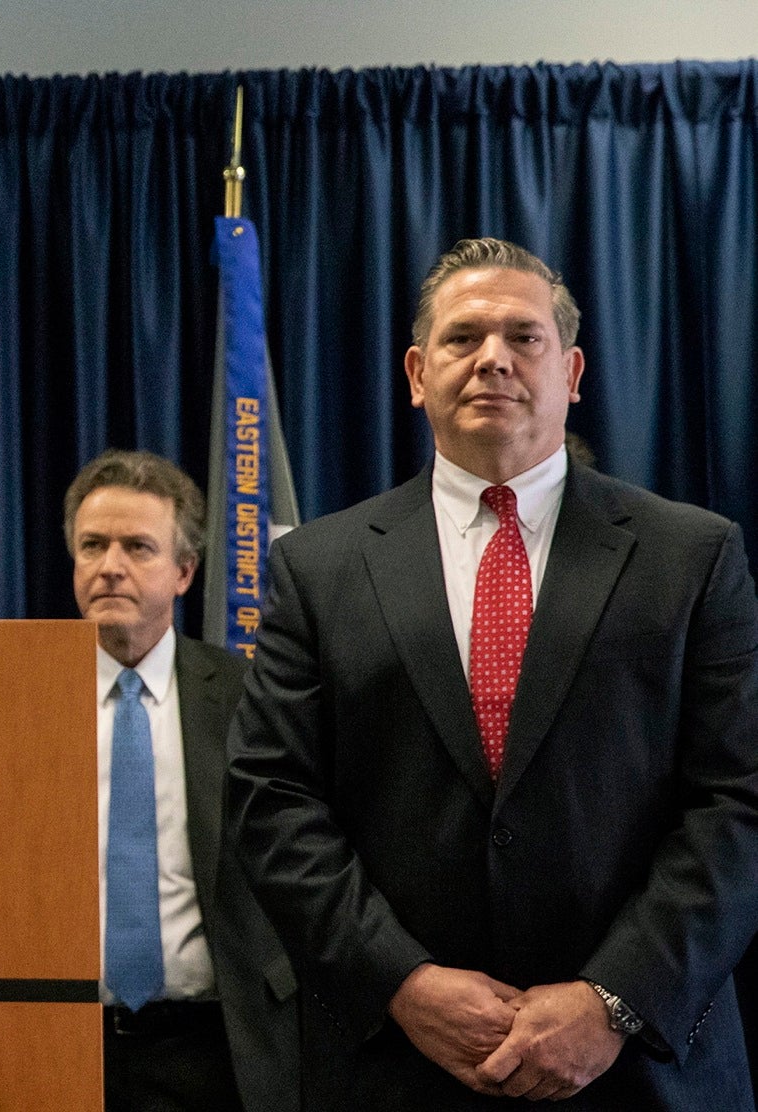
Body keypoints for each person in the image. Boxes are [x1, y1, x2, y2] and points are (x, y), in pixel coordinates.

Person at [228, 238, 758, 1109]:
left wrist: (612, 1001)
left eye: (524, 336)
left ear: (573, 370)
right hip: (399, 1065)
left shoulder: (692, 556)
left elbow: (737, 800)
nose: (493, 360)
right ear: (415, 371)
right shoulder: (316, 569)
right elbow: (271, 799)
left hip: (642, 1071)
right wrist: (402, 982)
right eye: (463, 337)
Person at [67, 450, 296, 1112]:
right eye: (93, 546)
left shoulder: (250, 698)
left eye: (138, 547)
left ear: (185, 571)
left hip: (213, 1050)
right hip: (61, 1040)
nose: (111, 566)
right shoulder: (24, 702)